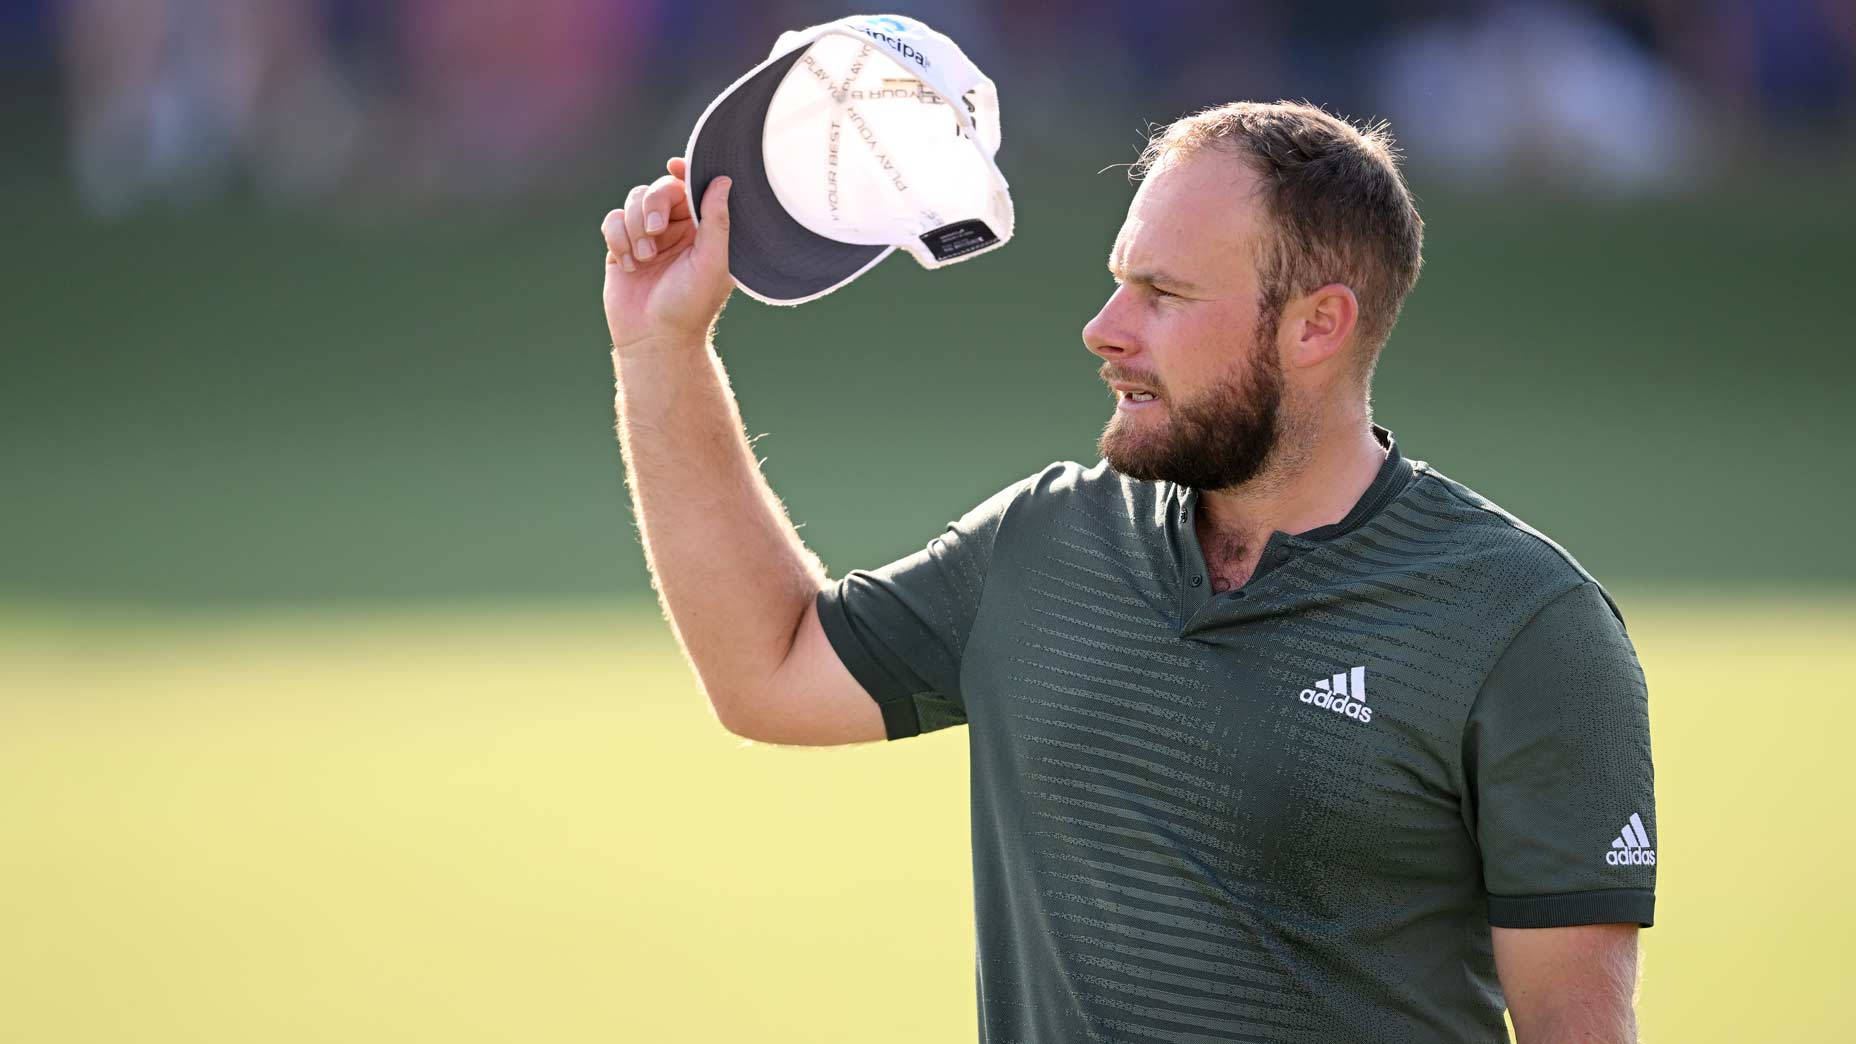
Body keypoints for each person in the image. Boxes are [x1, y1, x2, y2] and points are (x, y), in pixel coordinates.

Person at [599, 101, 1656, 1043]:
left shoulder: (1521, 626)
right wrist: (661, 350)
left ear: (1315, 326)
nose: (1102, 331)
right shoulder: (1045, 541)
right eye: (1117, 284)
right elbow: (768, 669)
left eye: (1160, 294)